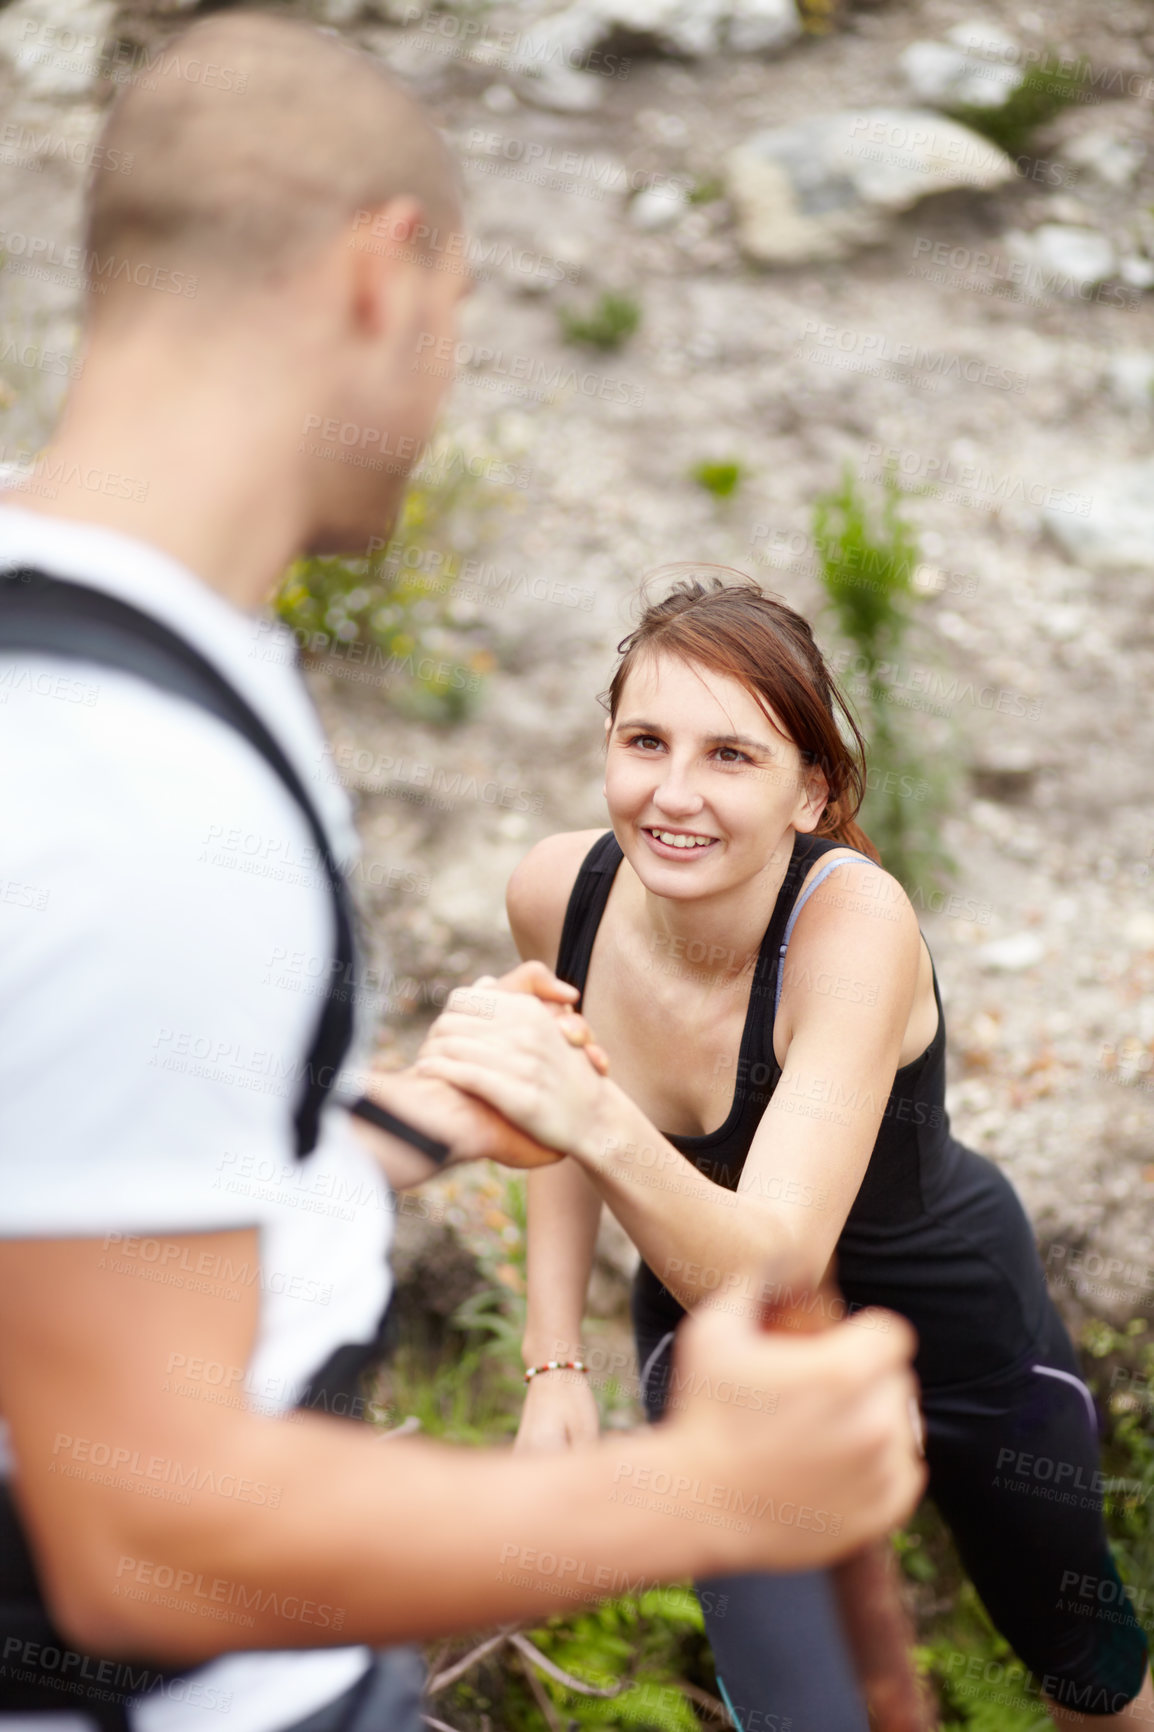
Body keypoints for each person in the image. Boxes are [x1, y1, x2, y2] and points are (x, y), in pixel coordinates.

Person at [0, 19, 925, 1732]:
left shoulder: (83, 649)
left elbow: (63, 1197)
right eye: (459, 318)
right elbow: (134, 1531)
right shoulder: (122, 783)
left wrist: (410, 1118)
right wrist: (699, 1494)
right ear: (383, 273)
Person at [415, 570, 1154, 1731]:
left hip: (948, 1318)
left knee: (1082, 1661)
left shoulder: (854, 928)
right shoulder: (556, 891)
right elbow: (546, 1128)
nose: (671, 793)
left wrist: (586, 1109)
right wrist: (554, 1361)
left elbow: (769, 1258)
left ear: (810, 790)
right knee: (792, 1705)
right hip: (717, 1349)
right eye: (643, 740)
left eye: (729, 756)